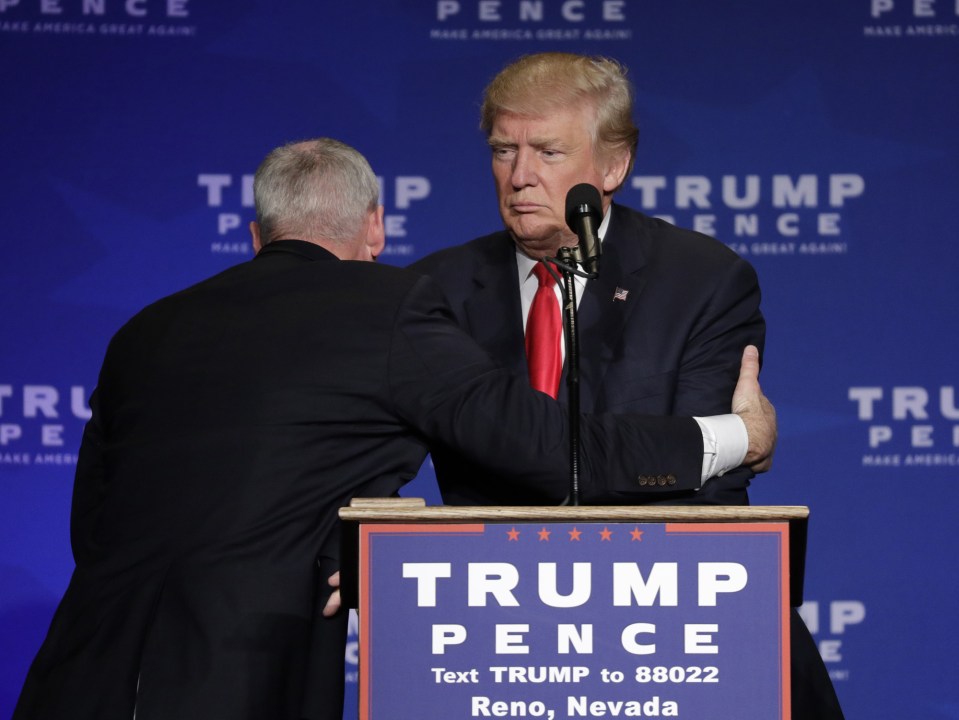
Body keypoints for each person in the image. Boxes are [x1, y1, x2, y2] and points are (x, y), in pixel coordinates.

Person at [13, 138, 776, 720]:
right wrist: (735, 437)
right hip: (239, 676)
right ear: (374, 228)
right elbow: (548, 448)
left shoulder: (147, 329)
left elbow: (94, 524)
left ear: (256, 234)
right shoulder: (390, 308)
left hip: (74, 673)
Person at [410, 53, 842, 718]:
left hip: (673, 628)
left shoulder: (701, 279)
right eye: (503, 150)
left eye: (547, 151)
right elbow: (376, 454)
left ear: (613, 166)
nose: (519, 176)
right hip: (496, 639)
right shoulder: (434, 291)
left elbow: (712, 492)